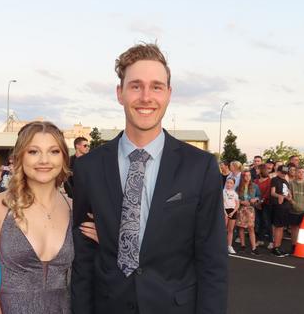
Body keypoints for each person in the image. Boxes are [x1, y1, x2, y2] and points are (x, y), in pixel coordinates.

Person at [71, 43, 227, 314]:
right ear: (120, 93)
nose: (146, 97)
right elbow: (83, 261)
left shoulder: (200, 166)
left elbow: (212, 261)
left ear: (168, 94)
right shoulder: (90, 168)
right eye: (135, 86)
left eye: (156, 86)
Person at [0, 121, 98, 313]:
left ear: (64, 158)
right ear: (20, 156)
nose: (44, 160)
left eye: (54, 151)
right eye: (33, 151)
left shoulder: (76, 209)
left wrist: (106, 243)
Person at [236, 170, 260, 255]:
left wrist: (255, 199)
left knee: (251, 228)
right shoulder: (238, 187)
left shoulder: (255, 186)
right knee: (241, 228)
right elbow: (235, 198)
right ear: (242, 177)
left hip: (250, 209)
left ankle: (254, 248)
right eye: (245, 176)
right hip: (241, 209)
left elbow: (259, 197)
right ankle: (243, 246)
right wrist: (242, 202)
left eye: (249, 175)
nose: (248, 177)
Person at [270, 164, 293, 257]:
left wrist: (289, 196)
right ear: (277, 172)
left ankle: (278, 246)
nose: (284, 174)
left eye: (285, 173)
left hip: (285, 206)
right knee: (278, 227)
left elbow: (288, 192)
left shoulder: (285, 181)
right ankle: (275, 247)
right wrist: (280, 196)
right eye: (282, 172)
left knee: (281, 227)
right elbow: (272, 192)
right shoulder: (275, 180)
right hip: (278, 206)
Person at [255, 164, 273, 247]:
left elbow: (268, 193)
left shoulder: (269, 181)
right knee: (260, 222)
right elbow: (254, 193)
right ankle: (260, 239)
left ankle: (271, 241)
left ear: (262, 170)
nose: (256, 170)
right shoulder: (256, 181)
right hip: (258, 204)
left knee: (267, 222)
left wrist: (261, 202)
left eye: (257, 169)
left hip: (266, 204)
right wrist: (257, 202)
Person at [223, 178, 239, 254]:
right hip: (224, 211)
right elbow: (222, 203)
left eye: (231, 183)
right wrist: (225, 213)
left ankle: (229, 246)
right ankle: (220, 246)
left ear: (233, 184)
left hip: (232, 212)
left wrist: (232, 212)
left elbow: (237, 204)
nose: (229, 184)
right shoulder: (223, 192)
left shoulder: (235, 194)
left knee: (230, 230)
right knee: (223, 230)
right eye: (228, 182)